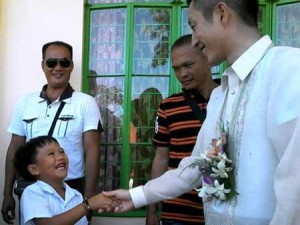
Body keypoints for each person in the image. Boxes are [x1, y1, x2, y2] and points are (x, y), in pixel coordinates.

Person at [103, 0, 300, 224]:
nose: (195, 41)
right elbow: (196, 165)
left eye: (194, 26)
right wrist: (137, 196)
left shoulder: (289, 69)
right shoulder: (221, 94)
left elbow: (295, 189)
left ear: (221, 13)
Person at [1, 41, 103, 224]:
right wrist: (7, 193)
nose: (58, 67)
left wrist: (88, 198)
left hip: (71, 189)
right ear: (43, 65)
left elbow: (93, 151)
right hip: (31, 187)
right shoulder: (25, 102)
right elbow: (14, 148)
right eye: (51, 63)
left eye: (64, 62)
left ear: (71, 66)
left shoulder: (86, 103)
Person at [146, 34, 219, 225]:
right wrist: (152, 209)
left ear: (208, 59)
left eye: (188, 65)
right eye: (176, 69)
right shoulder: (168, 106)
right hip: (177, 213)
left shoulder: (230, 97)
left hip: (224, 209)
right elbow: (161, 158)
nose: (182, 74)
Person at [14, 136, 115, 225]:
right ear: (34, 169)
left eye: (61, 151)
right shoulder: (32, 193)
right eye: (51, 154)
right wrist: (87, 205)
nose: (61, 156)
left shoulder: (76, 195)